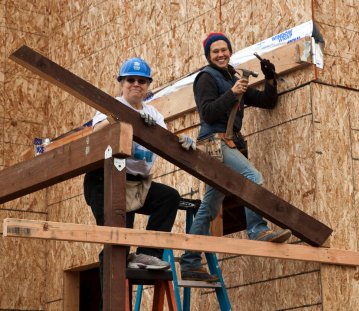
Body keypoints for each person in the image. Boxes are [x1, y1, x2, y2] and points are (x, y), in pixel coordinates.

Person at [180, 32, 292, 282]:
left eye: (224, 50)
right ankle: (257, 229)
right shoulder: (206, 78)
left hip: (227, 144)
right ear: (208, 56)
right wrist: (232, 93)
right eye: (215, 51)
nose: (221, 54)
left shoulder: (232, 76)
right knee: (253, 177)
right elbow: (208, 114)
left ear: (230, 51)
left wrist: (270, 77)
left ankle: (189, 262)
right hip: (213, 144)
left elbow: (267, 102)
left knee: (209, 206)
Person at [83, 58, 180, 293]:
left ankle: (148, 254)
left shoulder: (154, 115)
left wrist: (180, 142)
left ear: (147, 86)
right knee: (118, 243)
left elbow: (167, 144)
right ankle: (110, 304)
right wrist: (121, 118)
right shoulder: (111, 106)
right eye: (131, 80)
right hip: (106, 181)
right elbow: (96, 132)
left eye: (142, 81)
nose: (136, 84)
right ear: (122, 83)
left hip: (137, 184)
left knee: (169, 198)